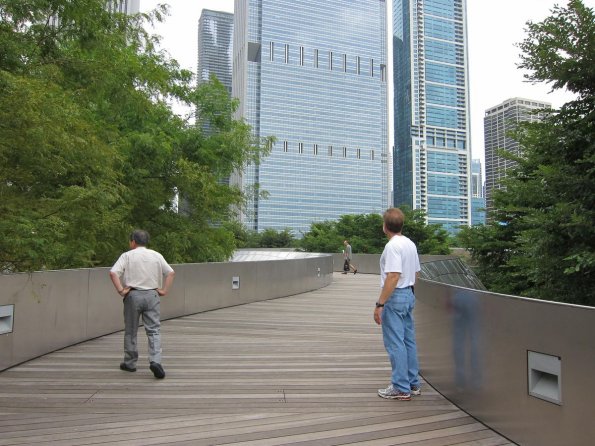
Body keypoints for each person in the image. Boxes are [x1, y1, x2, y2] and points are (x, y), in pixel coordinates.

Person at [109, 229, 175, 379]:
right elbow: (171, 272)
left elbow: (113, 273)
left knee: (131, 330)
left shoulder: (127, 256)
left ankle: (130, 363)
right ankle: (155, 361)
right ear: (146, 242)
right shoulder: (156, 255)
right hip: (152, 295)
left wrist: (121, 290)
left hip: (133, 294)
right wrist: (164, 290)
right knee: (154, 330)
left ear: (133, 241)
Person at [374, 208, 421, 400]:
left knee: (395, 343)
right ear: (401, 225)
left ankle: (401, 387)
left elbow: (393, 276)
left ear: (385, 227)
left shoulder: (392, 246)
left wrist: (380, 303)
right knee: (408, 341)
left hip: (396, 296)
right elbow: (416, 273)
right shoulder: (410, 244)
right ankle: (412, 383)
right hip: (409, 294)